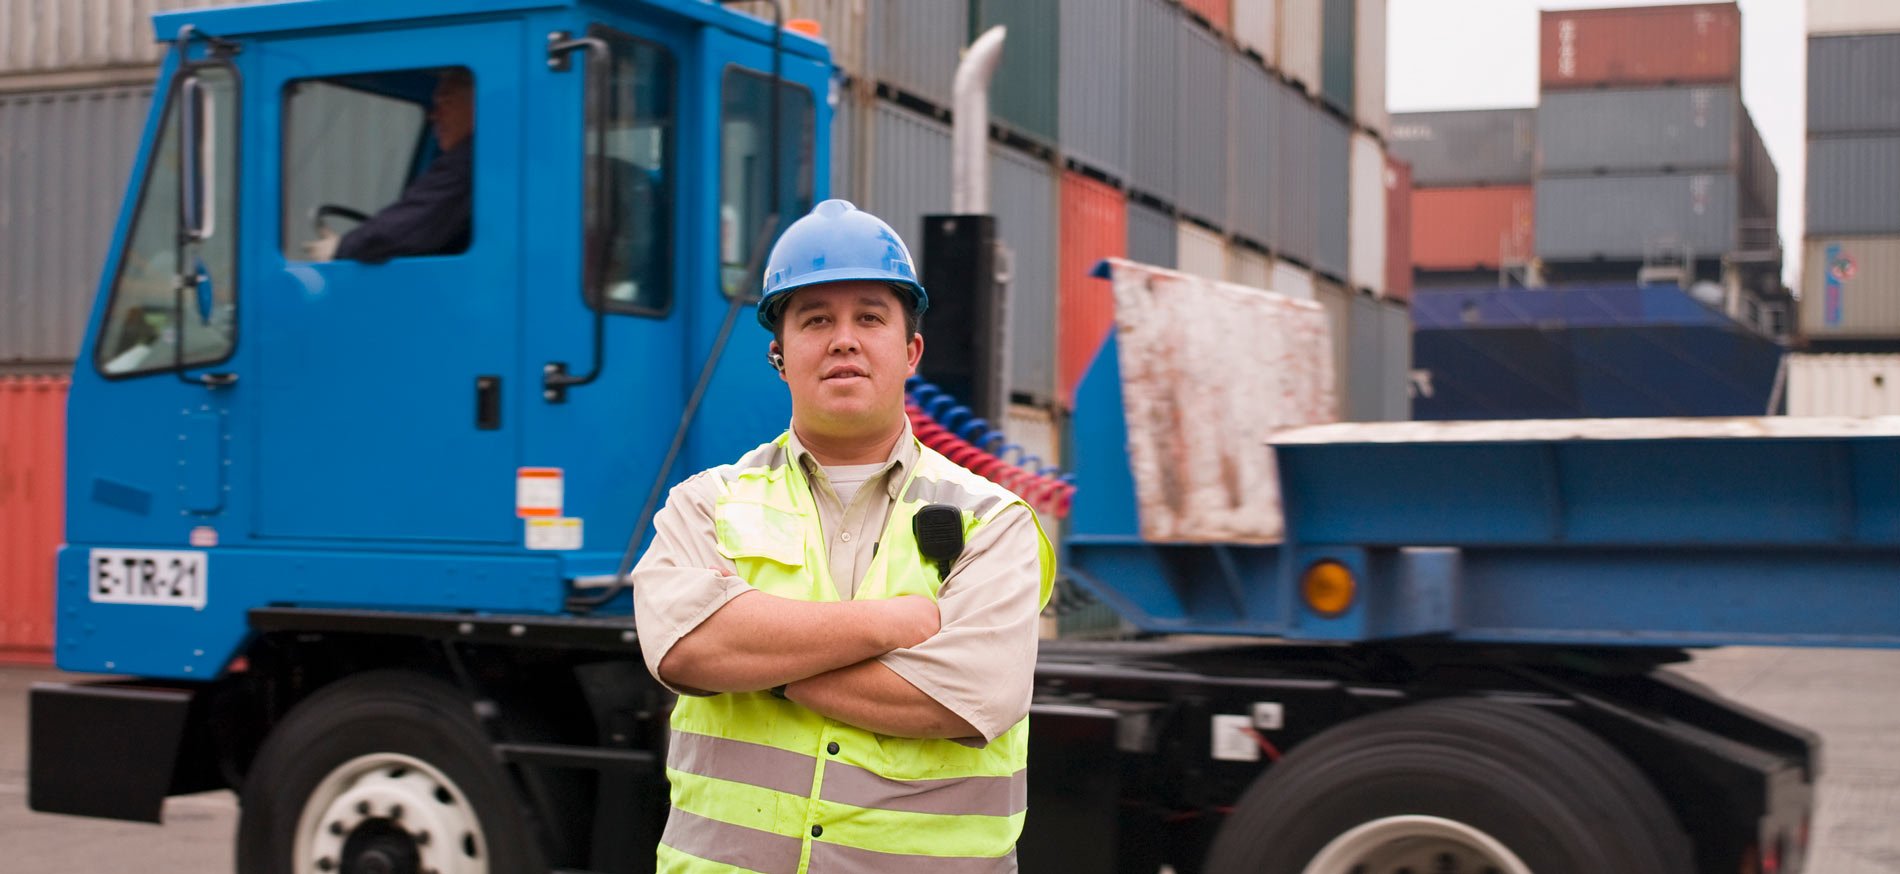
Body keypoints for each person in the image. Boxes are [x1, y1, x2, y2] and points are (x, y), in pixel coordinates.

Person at [631, 199, 1055, 873]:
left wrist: (759, 661)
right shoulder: (703, 505)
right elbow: (683, 649)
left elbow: (973, 695)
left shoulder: (993, 521)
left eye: (868, 317)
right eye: (816, 319)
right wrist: (899, 621)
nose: (843, 339)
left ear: (911, 349)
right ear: (779, 354)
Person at [302, 69, 473, 262]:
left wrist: (341, 248)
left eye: (446, 102)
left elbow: (410, 223)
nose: (434, 116)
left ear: (480, 106)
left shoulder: (469, 161)